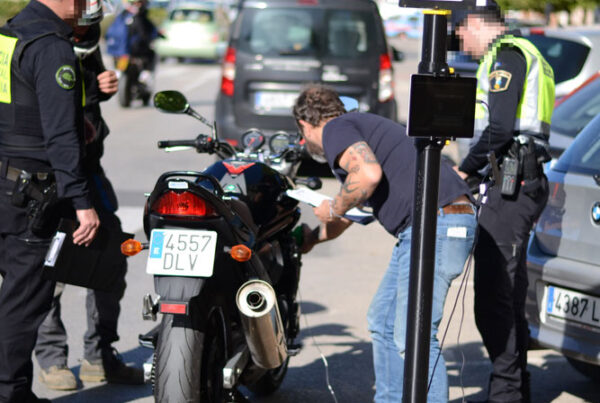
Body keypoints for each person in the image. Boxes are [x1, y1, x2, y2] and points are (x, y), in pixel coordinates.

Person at [293, 84, 477, 402]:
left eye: (301, 134)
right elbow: (357, 209)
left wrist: (333, 206)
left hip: (437, 224)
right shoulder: (358, 128)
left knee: (413, 334)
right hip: (430, 225)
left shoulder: (337, 128)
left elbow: (366, 175)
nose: (303, 142)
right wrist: (316, 237)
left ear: (305, 124)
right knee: (384, 319)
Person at [33, 22, 144, 391]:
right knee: (50, 265)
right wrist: (85, 101)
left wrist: (103, 90)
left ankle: (99, 355)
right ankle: (51, 358)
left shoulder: (86, 36)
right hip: (46, 177)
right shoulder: (36, 40)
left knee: (110, 259)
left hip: (88, 170)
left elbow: (88, 94)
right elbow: (42, 106)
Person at [0, 0, 101, 401]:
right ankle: (10, 393)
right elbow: (59, 137)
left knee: (13, 295)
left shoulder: (9, 34)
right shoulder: (52, 46)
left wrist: (81, 123)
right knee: (24, 301)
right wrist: (81, 201)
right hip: (30, 192)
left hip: (4, 178)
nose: (92, 4)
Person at [454, 2, 555, 402]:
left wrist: (463, 170)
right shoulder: (526, 52)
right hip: (519, 182)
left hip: (512, 185)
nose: (461, 39)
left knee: (494, 295)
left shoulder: (507, 55)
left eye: (461, 30)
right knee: (508, 293)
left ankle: (507, 394)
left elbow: (498, 128)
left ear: (476, 23)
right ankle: (516, 390)